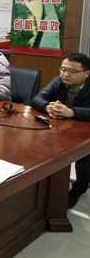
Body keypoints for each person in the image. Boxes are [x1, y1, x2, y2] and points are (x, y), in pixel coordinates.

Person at [32, 53, 90, 208]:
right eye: (63, 69)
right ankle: (43, 187)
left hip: (85, 133)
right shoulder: (58, 81)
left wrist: (72, 112)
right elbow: (37, 98)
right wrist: (47, 107)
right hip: (62, 129)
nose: (65, 74)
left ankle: (78, 190)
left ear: (86, 73)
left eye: (72, 71)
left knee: (85, 159)